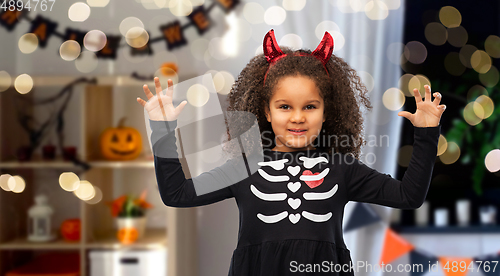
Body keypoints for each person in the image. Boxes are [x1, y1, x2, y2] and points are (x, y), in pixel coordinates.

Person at [136, 29, 446, 276]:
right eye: (284, 107)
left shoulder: (343, 168)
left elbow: (408, 196)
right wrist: (162, 130)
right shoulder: (243, 167)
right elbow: (177, 194)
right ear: (266, 112)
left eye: (310, 107)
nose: (297, 117)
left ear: (327, 112)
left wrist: (427, 134)